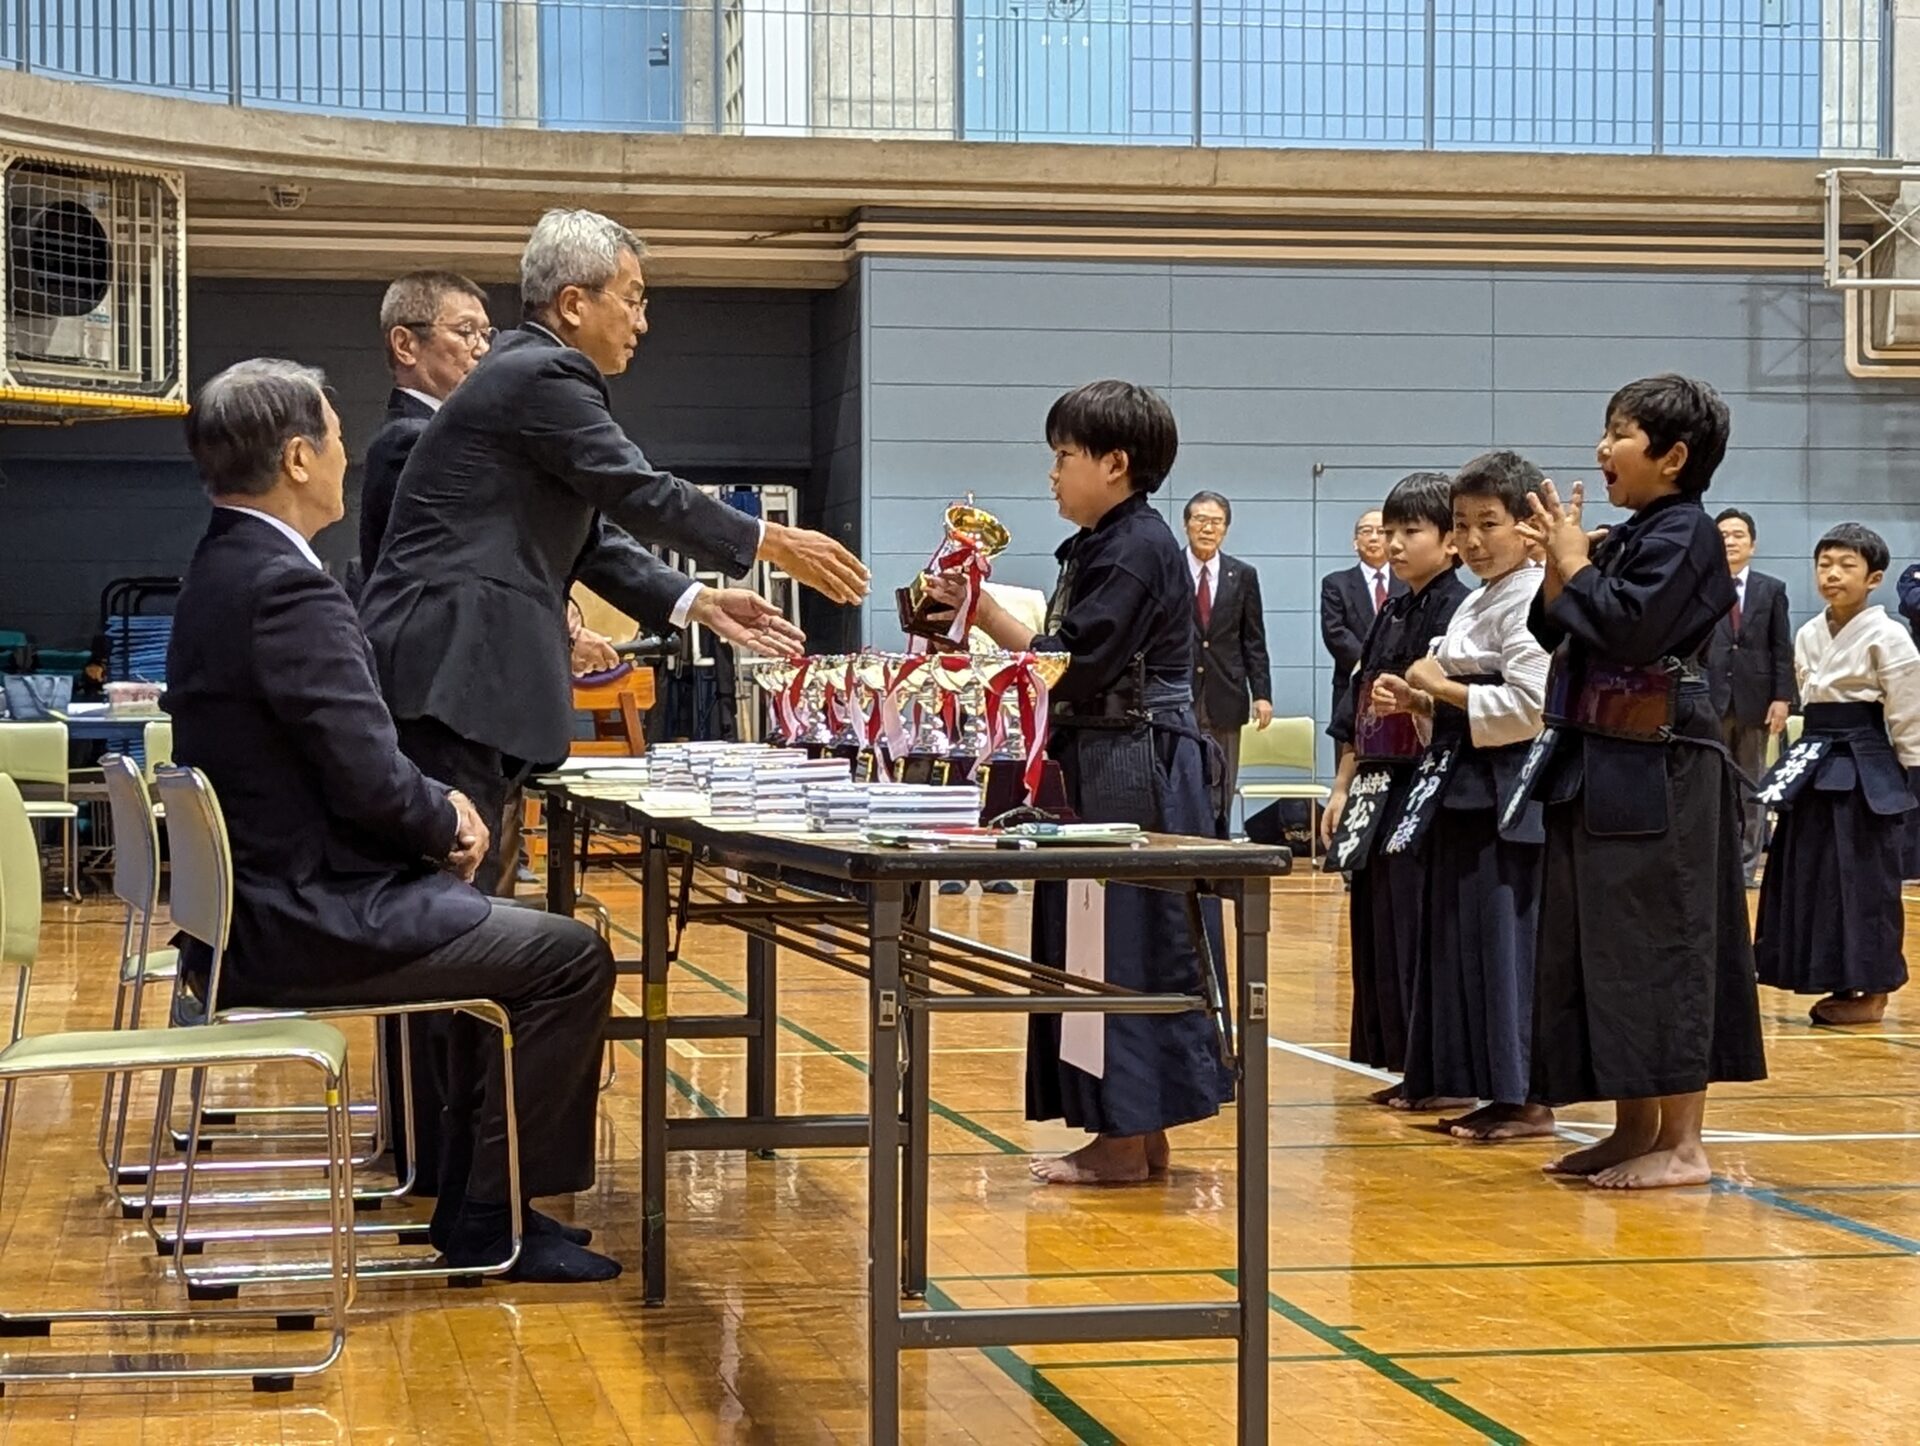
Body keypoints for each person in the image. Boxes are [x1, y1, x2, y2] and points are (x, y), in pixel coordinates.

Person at [167, 358, 621, 1282]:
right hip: (306, 918)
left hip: (260, 907)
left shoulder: (222, 569)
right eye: (334, 439)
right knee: (568, 958)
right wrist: (446, 820)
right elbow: (364, 772)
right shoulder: (282, 589)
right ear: (298, 458)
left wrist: (422, 821)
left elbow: (336, 760)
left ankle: (469, 1195)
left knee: (502, 942)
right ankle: (496, 1218)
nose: (347, 456)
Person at [359, 208, 866, 893]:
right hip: (453, 667)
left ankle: (461, 1003)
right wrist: (767, 537)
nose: (642, 321)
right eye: (632, 299)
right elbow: (634, 487)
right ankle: (453, 1005)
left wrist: (699, 600)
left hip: (459, 676)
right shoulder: (544, 373)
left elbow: (595, 534)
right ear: (573, 303)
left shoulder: (522, 374)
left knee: (460, 904)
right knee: (450, 906)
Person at [925, 380, 1232, 1185]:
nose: (1054, 474)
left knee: (1121, 945)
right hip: (1111, 753)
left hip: (1134, 763)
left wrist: (985, 619)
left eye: (1065, 457)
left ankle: (1125, 1138)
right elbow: (1065, 661)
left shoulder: (1134, 547)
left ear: (1116, 464)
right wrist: (978, 609)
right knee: (1114, 941)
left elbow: (1074, 665)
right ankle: (1136, 1132)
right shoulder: (1110, 544)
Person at [1517, 374, 1767, 1190]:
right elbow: (1558, 625)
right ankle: (1632, 1129)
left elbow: (1628, 628)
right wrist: (1561, 564)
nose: (1601, 449)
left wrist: (1572, 562)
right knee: (1607, 949)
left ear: (1673, 454)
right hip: (1601, 761)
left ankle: (1685, 1145)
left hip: (1664, 767)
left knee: (1670, 946)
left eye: (1619, 433)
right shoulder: (1631, 536)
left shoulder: (1688, 534)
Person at [1374, 454, 1553, 1141]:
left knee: (1506, 943)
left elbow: (1534, 706)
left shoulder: (1537, 594)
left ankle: (1526, 1097)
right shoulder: (1480, 596)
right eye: (1463, 526)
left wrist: (1441, 689)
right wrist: (1418, 695)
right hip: (1456, 781)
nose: (1474, 541)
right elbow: (1458, 698)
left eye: (1489, 524)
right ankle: (1472, 1080)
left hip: (1507, 790)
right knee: (1456, 939)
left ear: (1527, 525)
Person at [1319, 472, 1469, 1105]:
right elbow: (1360, 708)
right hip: (1377, 779)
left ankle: (1436, 1067)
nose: (1396, 543)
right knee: (1378, 918)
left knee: (1415, 922)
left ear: (1451, 541)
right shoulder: (1392, 609)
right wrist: (1342, 785)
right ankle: (1402, 1058)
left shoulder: (1456, 607)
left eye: (1412, 531)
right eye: (1391, 530)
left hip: (1426, 782)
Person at [1754, 524, 1920, 1024]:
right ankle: (1828, 974)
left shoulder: (1890, 636)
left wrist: (1909, 776)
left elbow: (1908, 712)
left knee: (1864, 878)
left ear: (1875, 578)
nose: (1832, 574)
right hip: (1816, 756)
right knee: (1814, 873)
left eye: (1846, 565)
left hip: (1865, 760)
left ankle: (1873, 989)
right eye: (1824, 564)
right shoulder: (1809, 632)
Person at [356, 271, 495, 586]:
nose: (483, 349)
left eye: (486, 335)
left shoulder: (441, 433)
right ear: (405, 345)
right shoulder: (409, 439)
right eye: (466, 331)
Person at [1704, 508, 1794, 885]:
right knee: (1710, 785)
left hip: (1756, 701)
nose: (1730, 540)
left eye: (1738, 534)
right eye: (1723, 534)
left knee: (1752, 785)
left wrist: (1782, 698)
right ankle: (1712, 864)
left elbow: (1780, 648)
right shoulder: (1702, 589)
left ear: (1752, 544)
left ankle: (1745, 867)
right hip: (1711, 699)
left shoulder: (1771, 589)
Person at [1184, 490, 1272, 807]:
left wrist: (1262, 694)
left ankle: (1220, 848)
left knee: (1222, 784)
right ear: (1187, 525)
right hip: (1180, 692)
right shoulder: (1171, 569)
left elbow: (1254, 640)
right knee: (1183, 780)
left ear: (1226, 528)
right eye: (1201, 520)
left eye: (1216, 522)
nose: (1208, 529)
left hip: (1227, 691)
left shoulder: (1243, 575)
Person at [1320, 510, 1404, 725]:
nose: (1374, 537)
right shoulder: (1336, 583)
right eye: (1366, 531)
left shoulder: (1408, 582)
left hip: (1400, 686)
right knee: (1350, 753)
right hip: (1352, 682)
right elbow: (1335, 633)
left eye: (1381, 531)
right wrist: (1372, 667)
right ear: (1355, 542)